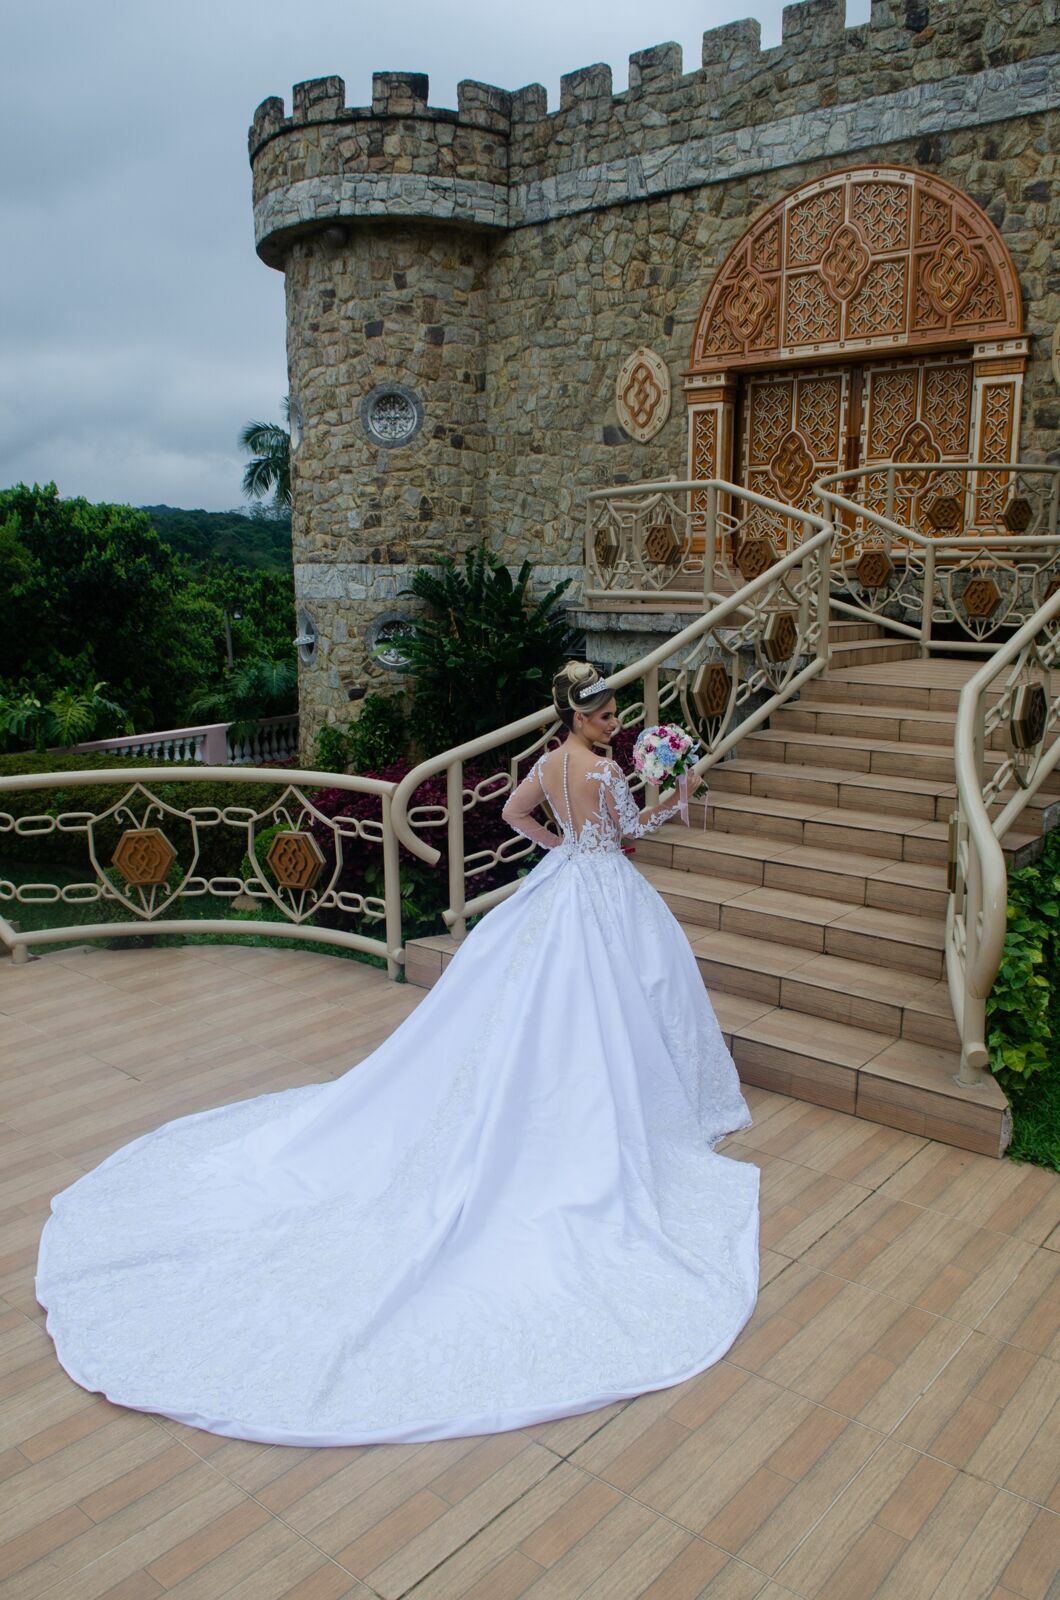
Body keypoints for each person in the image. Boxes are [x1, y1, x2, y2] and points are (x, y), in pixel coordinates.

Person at [36, 662, 759, 1448]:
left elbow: (519, 815)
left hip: (563, 887)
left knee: (542, 1010)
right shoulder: (600, 768)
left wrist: (561, 849)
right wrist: (675, 796)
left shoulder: (549, 762)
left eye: (614, 707)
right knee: (614, 1003)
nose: (612, 717)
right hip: (604, 889)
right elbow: (626, 834)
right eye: (601, 709)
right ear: (575, 714)